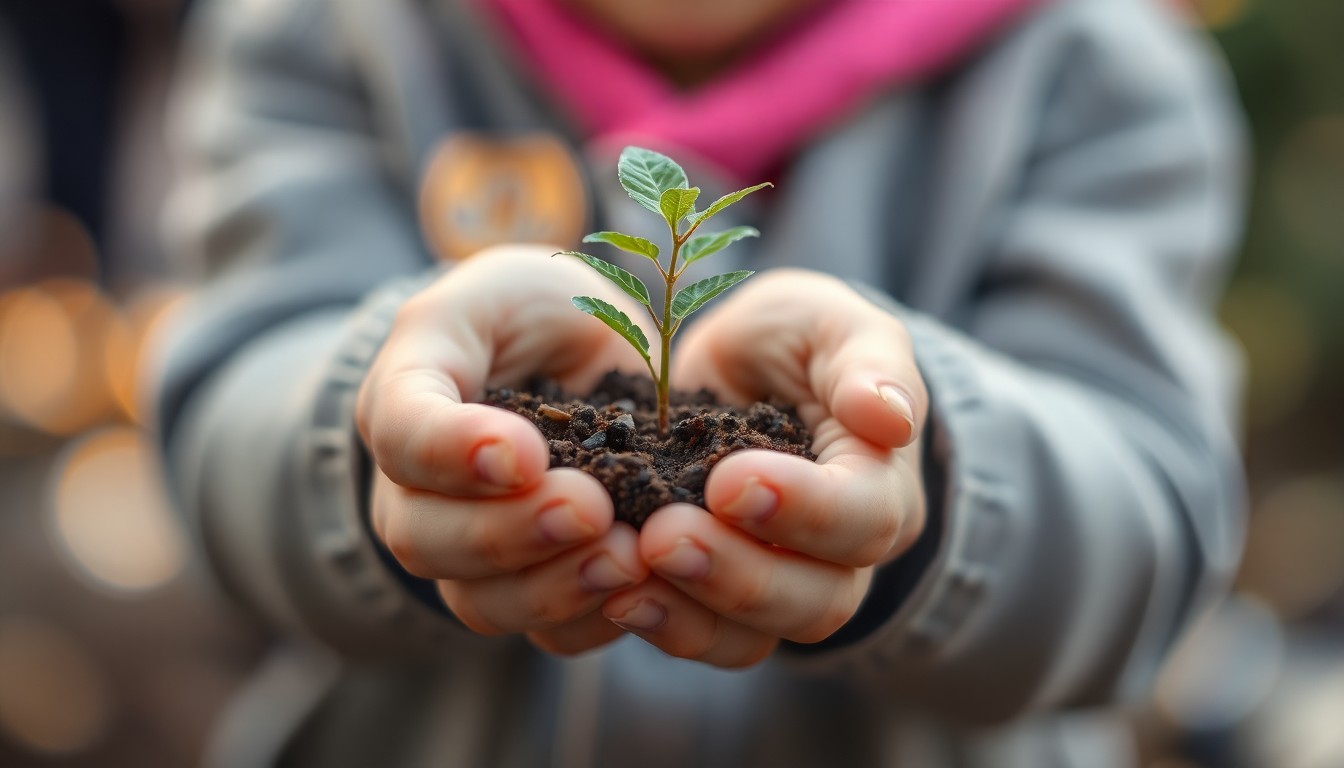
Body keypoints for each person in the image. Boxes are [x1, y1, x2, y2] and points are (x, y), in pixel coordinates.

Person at [151, 0, 1249, 765]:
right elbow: (222, 420)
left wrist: (936, 492)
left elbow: (1156, 515)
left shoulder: (1092, 61)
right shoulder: (329, 28)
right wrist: (380, 440)